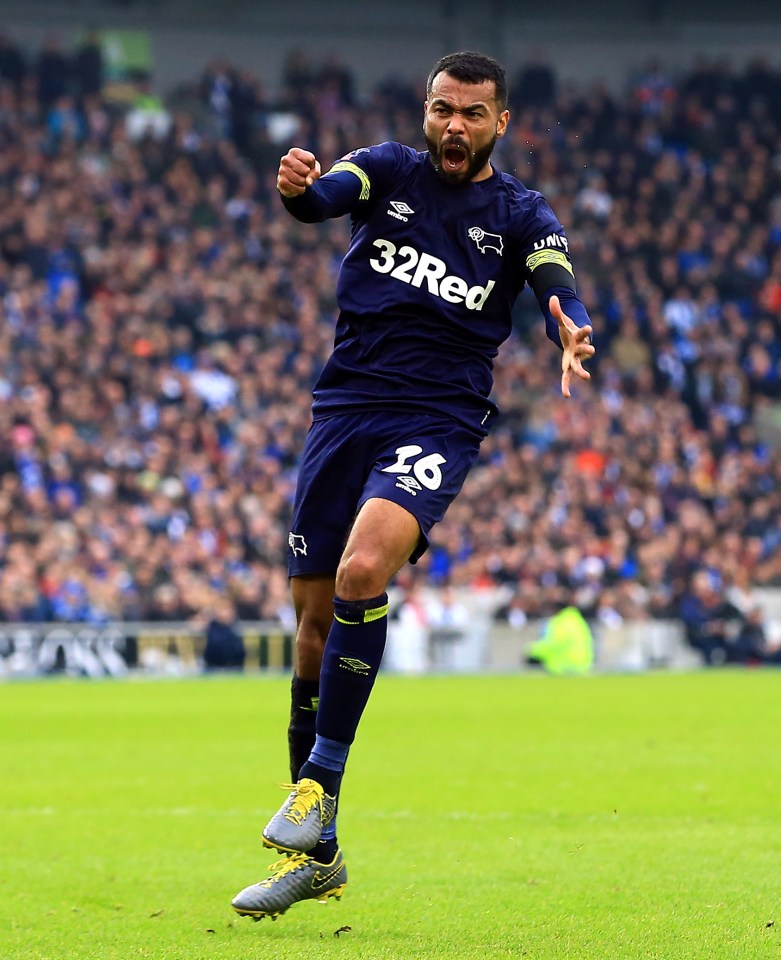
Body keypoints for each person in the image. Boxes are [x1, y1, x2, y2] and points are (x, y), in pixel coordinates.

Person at [231, 50, 595, 920]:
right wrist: (295, 187)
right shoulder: (389, 168)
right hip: (342, 412)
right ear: (424, 110)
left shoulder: (519, 213)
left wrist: (571, 327)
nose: (454, 126)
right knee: (313, 629)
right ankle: (315, 856)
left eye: (473, 113)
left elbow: (556, 283)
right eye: (442, 110)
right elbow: (323, 199)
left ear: (500, 121)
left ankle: (316, 788)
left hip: (435, 419)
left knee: (363, 575)